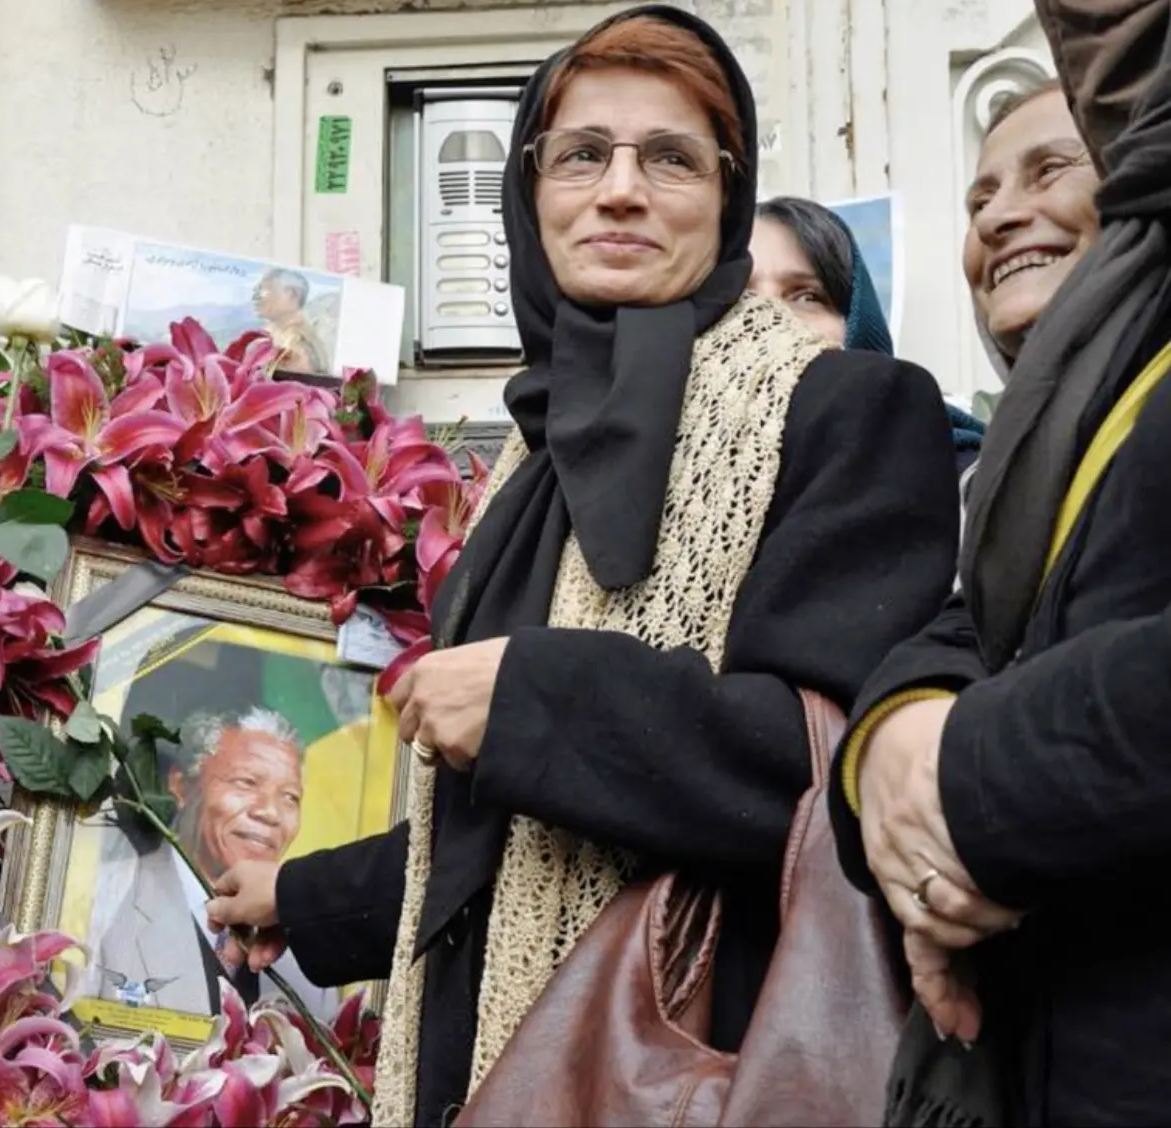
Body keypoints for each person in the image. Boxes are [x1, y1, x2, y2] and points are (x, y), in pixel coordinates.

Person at [205, 7, 959, 1125]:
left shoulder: (844, 409)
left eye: (671, 158)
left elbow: (840, 776)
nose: (620, 190)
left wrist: (535, 697)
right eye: (581, 155)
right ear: (530, 194)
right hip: (476, 1070)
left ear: (727, 197)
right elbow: (495, 849)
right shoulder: (529, 454)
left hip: (689, 1059)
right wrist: (304, 897)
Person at [831, 0, 1171, 1122]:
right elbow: (979, 626)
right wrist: (891, 744)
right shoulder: (1050, 444)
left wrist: (957, 785)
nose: (1002, 216)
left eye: (1050, 168)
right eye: (979, 197)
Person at [91, 707, 336, 1019]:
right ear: (181, 787)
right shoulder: (101, 903)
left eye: (290, 797)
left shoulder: (311, 960)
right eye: (247, 782)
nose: (271, 813)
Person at [751, 195, 989, 474]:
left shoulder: (960, 477)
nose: (766, 317)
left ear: (858, 323)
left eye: (806, 296)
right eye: (738, 297)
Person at [253, 267, 331, 374]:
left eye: (265, 289)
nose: (256, 297)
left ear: (292, 294)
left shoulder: (297, 347)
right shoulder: (276, 334)